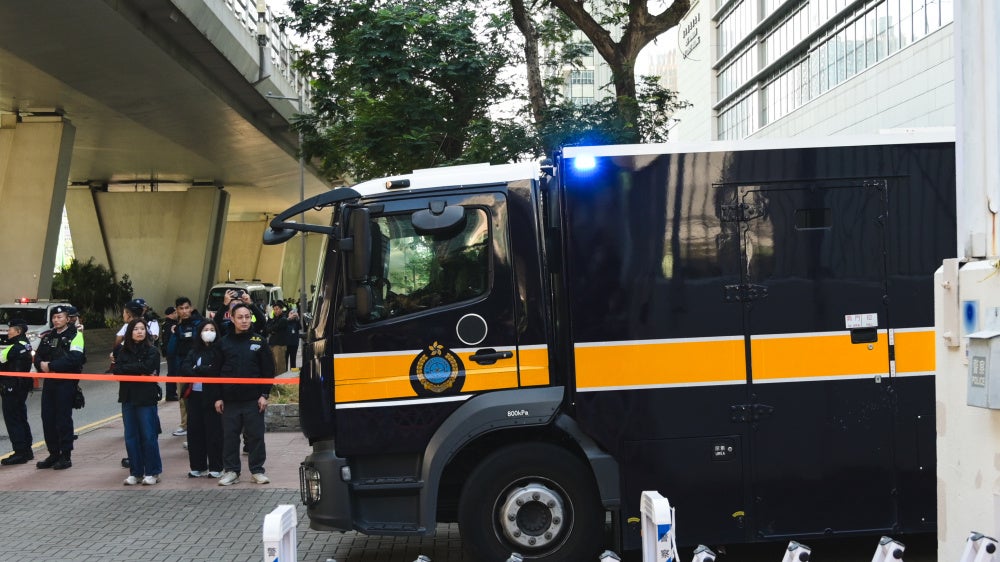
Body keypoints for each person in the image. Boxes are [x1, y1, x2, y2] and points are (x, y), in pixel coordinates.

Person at [215, 303, 274, 486]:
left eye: (247, 317)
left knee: (256, 436)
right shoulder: (223, 343)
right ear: (231, 318)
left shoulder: (259, 341)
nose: (244, 320)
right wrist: (217, 397)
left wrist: (264, 394)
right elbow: (215, 373)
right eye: (240, 317)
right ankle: (232, 471)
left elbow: (268, 370)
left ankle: (257, 471)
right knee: (230, 437)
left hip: (253, 400)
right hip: (230, 401)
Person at [34, 304, 85, 470]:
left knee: (63, 418)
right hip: (50, 382)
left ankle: (65, 455)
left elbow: (75, 358)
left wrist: (52, 365)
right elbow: (38, 355)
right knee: (47, 418)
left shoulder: (75, 335)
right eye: (54, 318)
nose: (56, 320)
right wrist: (41, 364)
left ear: (67, 319)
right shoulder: (48, 336)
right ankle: (53, 454)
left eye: (60, 317)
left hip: (66, 382)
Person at [113, 318, 163, 485]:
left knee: (148, 435)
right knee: (131, 436)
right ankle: (136, 472)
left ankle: (153, 471)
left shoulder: (153, 351)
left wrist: (133, 369)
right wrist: (137, 370)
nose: (140, 332)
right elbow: (118, 370)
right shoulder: (122, 351)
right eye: (136, 329)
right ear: (129, 332)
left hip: (146, 398)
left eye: (142, 329)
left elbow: (148, 367)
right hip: (128, 397)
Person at [181, 319, 224, 478]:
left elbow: (215, 370)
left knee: (214, 433)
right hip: (194, 397)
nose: (209, 332)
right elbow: (185, 368)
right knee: (195, 432)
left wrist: (198, 369)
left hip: (213, 397)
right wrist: (199, 371)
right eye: (205, 329)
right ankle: (198, 466)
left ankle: (216, 467)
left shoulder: (219, 350)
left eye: (212, 329)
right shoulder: (194, 351)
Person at [0, 319, 35, 465]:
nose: (8, 332)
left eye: (10, 330)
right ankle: (27, 450)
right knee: (21, 417)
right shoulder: (26, 345)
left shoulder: (13, 348)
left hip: (11, 387)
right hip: (22, 386)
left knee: (13, 419)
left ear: (18, 331)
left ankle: (20, 452)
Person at [168, 297, 201, 434]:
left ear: (191, 308)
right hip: (181, 369)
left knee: (197, 399)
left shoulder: (200, 323)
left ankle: (196, 426)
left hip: (198, 369)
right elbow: (171, 350)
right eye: (181, 308)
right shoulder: (177, 328)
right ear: (177, 310)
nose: (184, 311)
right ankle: (185, 424)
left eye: (187, 308)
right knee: (183, 398)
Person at [265, 301, 289, 375]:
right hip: (272, 344)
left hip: (279, 345)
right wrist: (271, 330)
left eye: (277, 309)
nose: (276, 311)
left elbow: (274, 328)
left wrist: (272, 330)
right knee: (273, 365)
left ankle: (281, 382)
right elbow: (267, 328)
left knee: (280, 365)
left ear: (281, 309)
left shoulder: (283, 319)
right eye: (274, 309)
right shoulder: (273, 319)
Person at [286, 306, 301, 372]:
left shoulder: (296, 322)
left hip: (294, 344)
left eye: (293, 313)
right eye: (291, 313)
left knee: (293, 360)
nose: (292, 315)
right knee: (285, 360)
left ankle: (292, 372)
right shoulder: (285, 321)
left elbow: (300, 327)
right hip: (286, 343)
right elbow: (282, 325)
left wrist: (298, 318)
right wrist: (288, 318)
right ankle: (284, 372)